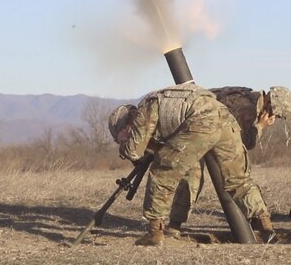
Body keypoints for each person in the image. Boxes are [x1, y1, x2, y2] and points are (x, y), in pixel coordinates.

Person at [108, 82, 274, 246]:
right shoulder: (158, 101)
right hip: (223, 117)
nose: (121, 140)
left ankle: (154, 233)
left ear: (126, 125)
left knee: (161, 171)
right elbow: (171, 146)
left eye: (120, 137)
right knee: (238, 180)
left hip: (200, 120)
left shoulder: (145, 110)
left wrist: (125, 146)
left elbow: (133, 151)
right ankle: (265, 225)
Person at [166, 86, 291, 238]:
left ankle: (259, 221)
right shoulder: (246, 108)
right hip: (197, 130)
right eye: (276, 113)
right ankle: (174, 225)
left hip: (208, 130)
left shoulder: (252, 102)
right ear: (269, 102)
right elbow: (240, 144)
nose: (274, 116)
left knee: (231, 175)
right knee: (194, 176)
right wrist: (260, 126)